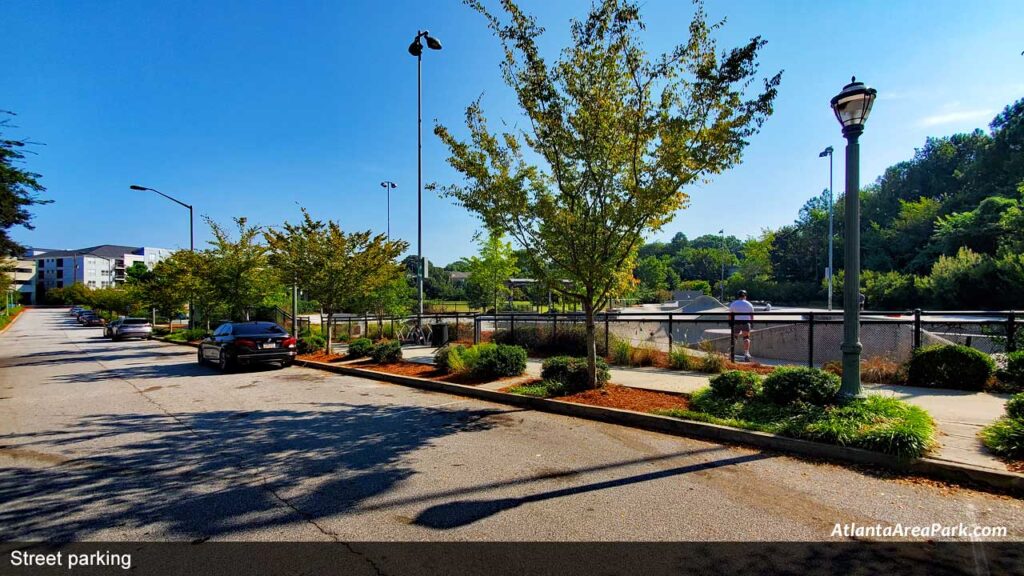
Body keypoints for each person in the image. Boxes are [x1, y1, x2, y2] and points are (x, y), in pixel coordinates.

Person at [728, 290, 755, 362]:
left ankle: (731, 353)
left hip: (736, 322)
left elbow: (730, 315)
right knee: (746, 338)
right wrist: (751, 323)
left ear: (738, 296)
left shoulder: (733, 304)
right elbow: (752, 315)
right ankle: (746, 354)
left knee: (734, 338)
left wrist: (730, 322)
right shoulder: (749, 304)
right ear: (745, 296)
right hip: (745, 322)